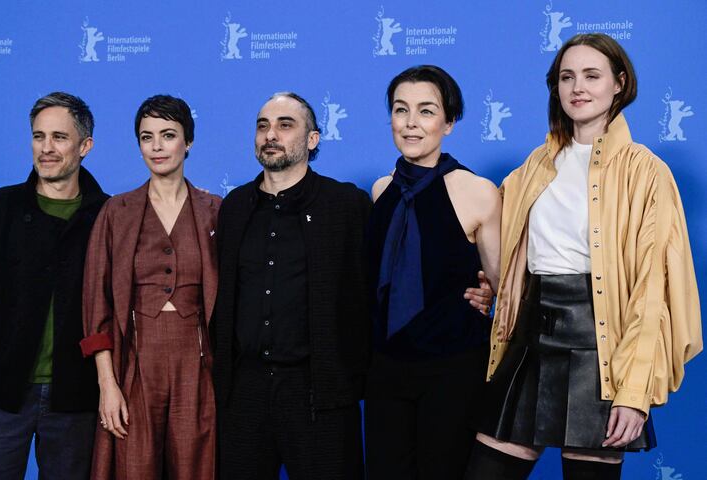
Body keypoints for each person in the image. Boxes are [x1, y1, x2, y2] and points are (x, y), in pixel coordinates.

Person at [464, 33, 702, 480]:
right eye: (567, 77)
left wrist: (634, 392)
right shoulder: (532, 168)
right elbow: (504, 250)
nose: (578, 87)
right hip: (531, 337)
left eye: (592, 75)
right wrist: (488, 287)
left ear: (619, 83)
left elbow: (653, 292)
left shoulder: (647, 172)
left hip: (602, 349)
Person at [211, 92, 372, 479]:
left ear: (312, 139)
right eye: (263, 125)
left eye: (286, 125)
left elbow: (378, 287)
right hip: (245, 392)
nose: (271, 134)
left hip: (319, 392)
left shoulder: (346, 205)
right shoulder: (234, 207)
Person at [0, 92, 109, 479]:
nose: (47, 148)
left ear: (85, 146)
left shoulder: (108, 215)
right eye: (39, 136)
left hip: (77, 399)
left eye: (59, 137)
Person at [365, 65, 502, 479]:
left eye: (426, 111)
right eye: (400, 110)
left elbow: (501, 287)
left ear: (449, 123)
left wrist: (489, 296)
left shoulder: (478, 191)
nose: (410, 123)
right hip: (386, 367)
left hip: (452, 368)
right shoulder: (380, 190)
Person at [80, 95, 219, 479]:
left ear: (187, 141)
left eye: (168, 135)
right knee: (134, 467)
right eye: (147, 137)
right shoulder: (115, 212)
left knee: (197, 468)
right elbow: (97, 305)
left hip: (199, 366)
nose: (157, 147)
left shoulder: (216, 210)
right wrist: (107, 384)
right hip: (135, 365)